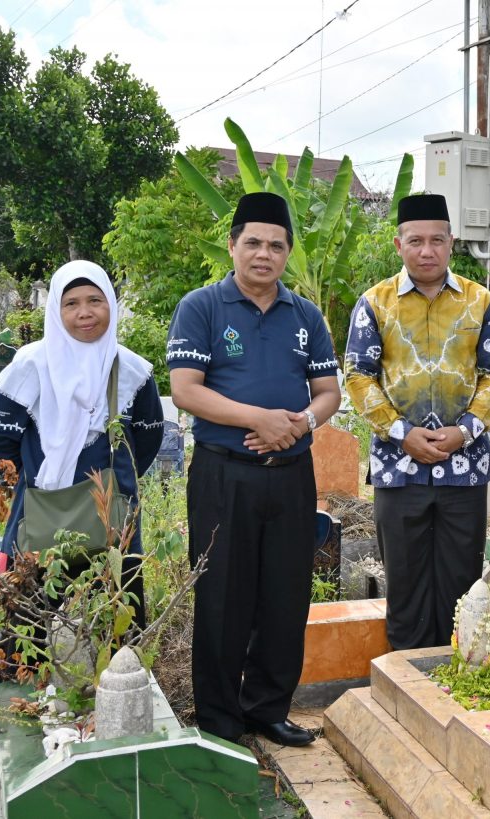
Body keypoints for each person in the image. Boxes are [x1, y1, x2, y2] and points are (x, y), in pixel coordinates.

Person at [167, 192, 341, 747]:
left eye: (275, 245)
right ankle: (220, 721)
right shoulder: (202, 307)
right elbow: (185, 390)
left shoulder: (304, 314)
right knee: (221, 596)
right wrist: (260, 419)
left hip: (291, 473)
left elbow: (328, 392)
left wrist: (300, 425)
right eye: (253, 243)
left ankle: (267, 708)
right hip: (225, 475)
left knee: (286, 595)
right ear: (233, 245)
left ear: (288, 252)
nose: (263, 254)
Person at [344, 193, 490, 650]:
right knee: (406, 587)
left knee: (463, 588)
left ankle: (456, 688)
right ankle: (409, 685)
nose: (427, 250)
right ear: (399, 244)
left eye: (437, 240)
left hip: (465, 467)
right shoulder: (374, 303)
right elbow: (358, 376)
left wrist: (466, 431)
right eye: (416, 240)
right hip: (399, 468)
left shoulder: (480, 302)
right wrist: (402, 433)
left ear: (451, 242)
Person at [0, 260, 163, 628]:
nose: (85, 313)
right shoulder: (31, 364)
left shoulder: (131, 370)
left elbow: (148, 435)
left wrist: (113, 474)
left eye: (95, 300)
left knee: (116, 623)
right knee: (31, 623)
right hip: (41, 506)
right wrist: (36, 463)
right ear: (56, 310)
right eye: (71, 303)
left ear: (111, 302)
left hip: (112, 513)